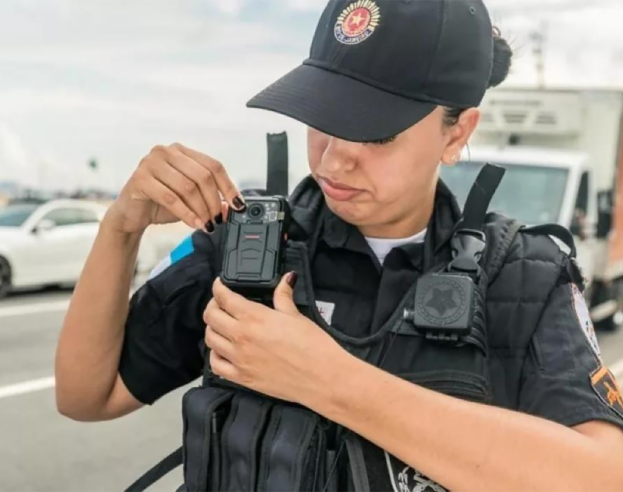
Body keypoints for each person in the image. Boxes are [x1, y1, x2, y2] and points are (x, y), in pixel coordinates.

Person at [55, 0, 623, 490]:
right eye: (322, 116)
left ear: (457, 131)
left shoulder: (524, 274)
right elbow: (88, 395)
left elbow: (602, 475)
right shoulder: (250, 242)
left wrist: (328, 380)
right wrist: (120, 230)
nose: (334, 158)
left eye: (376, 132)